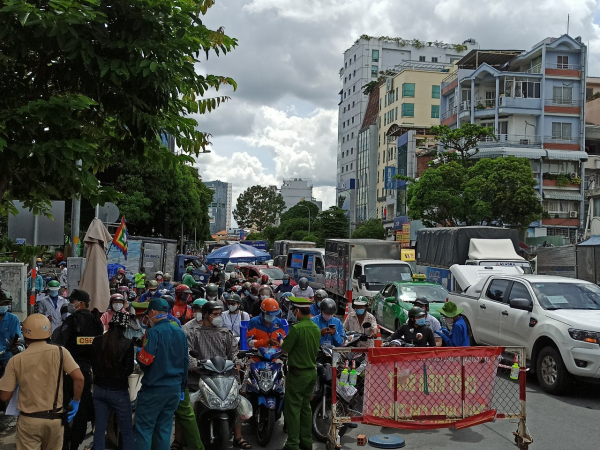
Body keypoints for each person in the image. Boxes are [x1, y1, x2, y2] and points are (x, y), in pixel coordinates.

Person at [0, 314, 84, 450]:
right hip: (55, 420)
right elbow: (79, 378)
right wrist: (76, 401)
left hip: (29, 421)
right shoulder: (61, 352)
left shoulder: (16, 360)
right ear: (49, 332)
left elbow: (5, 396)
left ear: (24, 334)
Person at [187, 301, 251, 449]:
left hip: (224, 376)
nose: (218, 317)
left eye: (219, 314)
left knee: (237, 401)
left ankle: (238, 437)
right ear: (205, 315)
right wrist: (195, 364)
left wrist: (238, 361)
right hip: (202, 377)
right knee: (187, 404)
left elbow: (234, 353)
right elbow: (188, 354)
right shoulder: (194, 333)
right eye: (215, 314)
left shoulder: (225, 333)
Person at [135, 298, 189, 450]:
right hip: (174, 389)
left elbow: (145, 361)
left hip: (154, 389)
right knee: (164, 430)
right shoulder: (180, 332)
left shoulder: (153, 332)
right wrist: (182, 387)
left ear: (152, 312)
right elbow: (185, 362)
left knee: (144, 429)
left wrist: (138, 352)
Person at [55, 289, 104, 450]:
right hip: (88, 371)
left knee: (65, 406)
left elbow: (59, 342)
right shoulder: (97, 322)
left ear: (81, 303)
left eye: (73, 301)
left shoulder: (72, 320)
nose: (71, 304)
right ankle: (76, 442)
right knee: (82, 408)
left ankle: (65, 441)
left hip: (70, 370)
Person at [279, 297, 321, 450]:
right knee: (305, 408)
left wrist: (281, 341)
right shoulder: (315, 328)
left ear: (297, 311)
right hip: (311, 373)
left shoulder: (296, 329)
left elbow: (285, 349)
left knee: (293, 409)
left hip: (297, 374)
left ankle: (293, 444)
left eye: (293, 310)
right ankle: (306, 442)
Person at [91, 312, 135, 450]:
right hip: (118, 392)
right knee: (127, 430)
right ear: (125, 327)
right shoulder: (127, 344)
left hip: (98, 390)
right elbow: (128, 370)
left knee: (99, 429)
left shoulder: (97, 341)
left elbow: (93, 363)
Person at [0, 290, 21, 376]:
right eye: (2, 304)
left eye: (6, 304)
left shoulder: (13, 319)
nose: (4, 306)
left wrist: (14, 343)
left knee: (14, 374)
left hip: (7, 353)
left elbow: (15, 337)